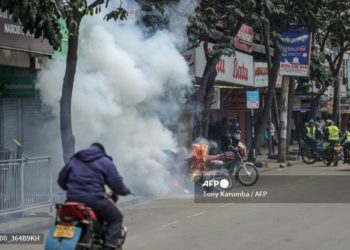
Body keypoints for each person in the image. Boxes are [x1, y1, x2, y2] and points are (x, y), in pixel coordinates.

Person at [58, 143, 131, 250]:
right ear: (101, 151)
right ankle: (109, 246)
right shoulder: (105, 161)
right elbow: (116, 184)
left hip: (72, 201)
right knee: (116, 218)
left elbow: (61, 180)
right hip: (95, 200)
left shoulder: (74, 160)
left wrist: (73, 190)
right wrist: (126, 191)